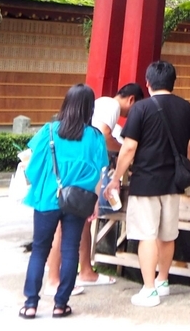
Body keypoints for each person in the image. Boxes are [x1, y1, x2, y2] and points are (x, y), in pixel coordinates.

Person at [104, 61, 190, 308]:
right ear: (173, 82)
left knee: (147, 235)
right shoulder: (185, 108)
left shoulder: (141, 109)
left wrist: (116, 178)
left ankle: (148, 290)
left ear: (147, 83)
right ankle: (163, 281)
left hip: (146, 182)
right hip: (173, 183)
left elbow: (129, 148)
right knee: (168, 235)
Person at [19, 84, 108, 319]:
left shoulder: (48, 131)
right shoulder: (95, 137)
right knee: (70, 250)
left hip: (46, 199)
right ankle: (60, 304)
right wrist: (95, 202)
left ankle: (30, 304)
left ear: (66, 104)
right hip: (77, 202)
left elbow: (31, 168)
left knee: (39, 250)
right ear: (90, 108)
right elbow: (98, 173)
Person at [46, 82, 144, 291]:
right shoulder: (111, 105)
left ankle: (85, 271)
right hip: (85, 175)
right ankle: (54, 279)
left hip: (79, 174)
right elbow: (103, 135)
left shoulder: (105, 108)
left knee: (83, 224)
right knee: (65, 228)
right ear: (131, 100)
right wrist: (125, 150)